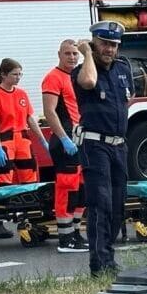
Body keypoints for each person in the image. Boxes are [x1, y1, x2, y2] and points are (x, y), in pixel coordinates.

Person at [73, 21, 133, 277]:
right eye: (104, 44)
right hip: (95, 145)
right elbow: (88, 83)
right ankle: (99, 263)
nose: (109, 49)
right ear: (93, 43)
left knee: (118, 205)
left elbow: (127, 99)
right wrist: (86, 53)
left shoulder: (122, 68)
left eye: (114, 45)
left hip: (119, 145)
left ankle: (109, 255)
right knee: (101, 204)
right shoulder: (83, 69)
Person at [0, 58, 48, 239]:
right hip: (5, 140)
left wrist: (43, 141)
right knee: (4, 183)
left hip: (23, 141)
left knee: (29, 183)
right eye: (14, 74)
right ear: (4, 75)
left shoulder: (21, 94)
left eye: (20, 74)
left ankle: (31, 219)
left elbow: (30, 119)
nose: (18, 77)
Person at [42, 39, 88, 253]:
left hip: (79, 138)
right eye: (68, 53)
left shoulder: (77, 76)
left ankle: (75, 232)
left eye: (75, 53)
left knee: (81, 189)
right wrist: (63, 138)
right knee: (67, 189)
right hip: (65, 141)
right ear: (59, 54)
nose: (72, 57)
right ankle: (65, 237)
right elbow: (50, 112)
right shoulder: (53, 77)